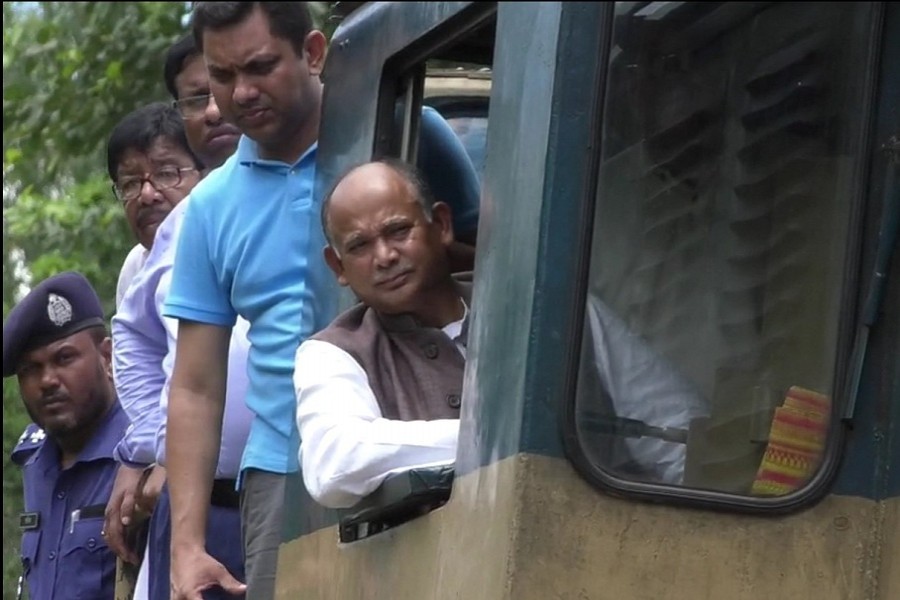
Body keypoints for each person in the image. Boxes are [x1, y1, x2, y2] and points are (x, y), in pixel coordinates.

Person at [164, 3, 482, 597]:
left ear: (313, 53)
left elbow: (485, 262)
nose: (242, 92)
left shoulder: (409, 129)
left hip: (425, 428)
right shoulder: (210, 208)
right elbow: (195, 386)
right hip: (284, 470)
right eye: (223, 76)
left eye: (260, 67)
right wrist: (187, 546)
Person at [104, 100, 250, 600]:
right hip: (190, 504)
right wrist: (151, 448)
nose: (147, 194)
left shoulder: (223, 223)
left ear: (202, 174)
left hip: (252, 487)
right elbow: (138, 350)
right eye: (129, 183)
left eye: (167, 173)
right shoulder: (134, 270)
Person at [295, 159, 468, 508]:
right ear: (337, 266)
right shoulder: (332, 352)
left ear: (442, 225)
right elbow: (336, 463)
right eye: (359, 246)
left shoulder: (526, 303)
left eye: (399, 231)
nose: (385, 256)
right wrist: (493, 437)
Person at [5, 271, 129, 600]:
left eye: (64, 358)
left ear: (106, 357)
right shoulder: (35, 462)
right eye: (30, 369)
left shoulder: (143, 452)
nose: (47, 380)